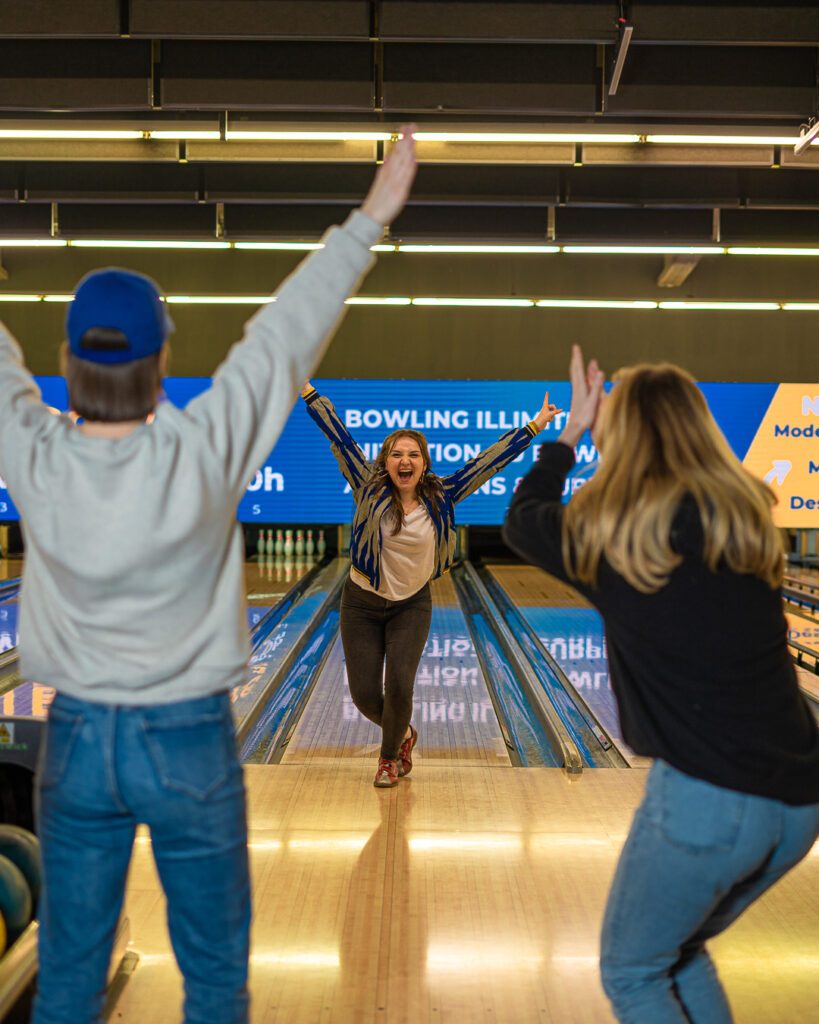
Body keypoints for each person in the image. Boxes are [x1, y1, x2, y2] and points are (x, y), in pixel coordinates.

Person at [0, 130, 417, 1024]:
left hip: (76, 744)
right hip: (189, 741)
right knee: (216, 980)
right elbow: (283, 339)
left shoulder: (30, 452)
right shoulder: (202, 447)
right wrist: (370, 216)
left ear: (68, 368)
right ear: (160, 370)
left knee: (69, 979)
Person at [502, 346, 819, 1023]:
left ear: (617, 439)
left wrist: (567, 434)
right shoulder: (748, 528)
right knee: (676, 952)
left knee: (631, 970)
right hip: (797, 799)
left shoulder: (612, 541)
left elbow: (522, 516)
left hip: (709, 800)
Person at [301, 381, 560, 787]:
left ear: (424, 462)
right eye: (397, 454)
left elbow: (489, 462)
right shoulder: (367, 488)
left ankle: (389, 760)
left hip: (411, 604)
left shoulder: (443, 496)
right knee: (365, 696)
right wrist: (307, 390)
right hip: (361, 604)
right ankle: (403, 734)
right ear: (385, 461)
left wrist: (534, 426)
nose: (405, 460)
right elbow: (339, 435)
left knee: (400, 684)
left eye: (413, 454)